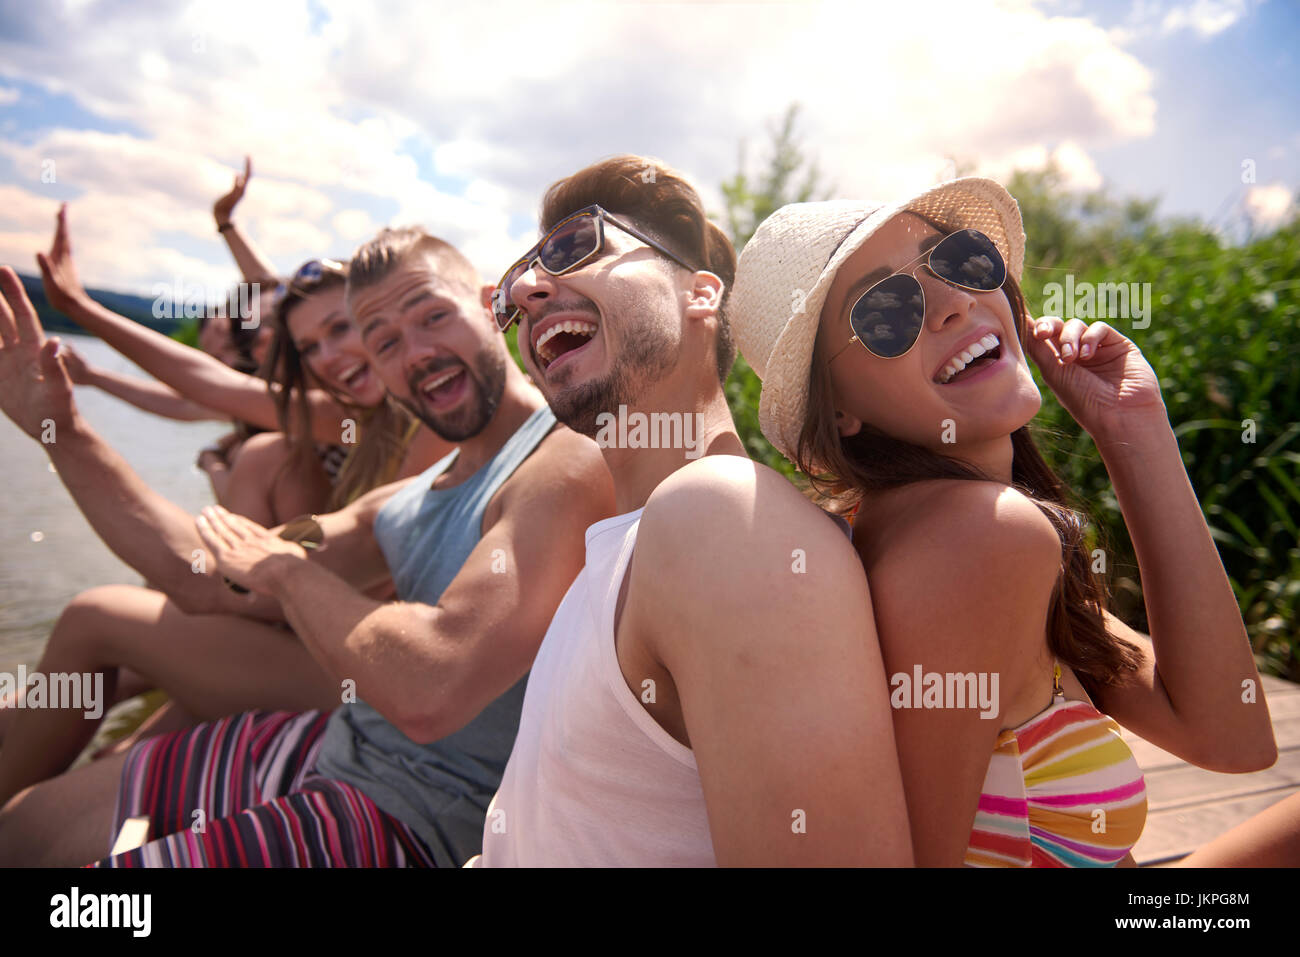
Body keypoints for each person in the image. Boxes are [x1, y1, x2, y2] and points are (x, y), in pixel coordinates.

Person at [0, 222, 614, 865]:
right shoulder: (400, 499)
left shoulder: (563, 456)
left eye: (433, 316)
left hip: (419, 819)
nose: (416, 353)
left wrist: (291, 574)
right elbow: (209, 576)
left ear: (494, 305)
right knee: (25, 829)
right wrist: (64, 433)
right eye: (385, 342)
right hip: (331, 747)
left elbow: (432, 691)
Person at [727, 179, 1280, 866]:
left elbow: (1231, 735)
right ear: (839, 408)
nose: (955, 302)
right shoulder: (978, 539)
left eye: (958, 260)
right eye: (888, 307)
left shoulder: (961, 533)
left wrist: (1133, 428)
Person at [473, 155, 912, 867]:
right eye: (513, 293)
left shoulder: (719, 515)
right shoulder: (621, 557)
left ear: (702, 294)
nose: (524, 289)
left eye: (573, 246)